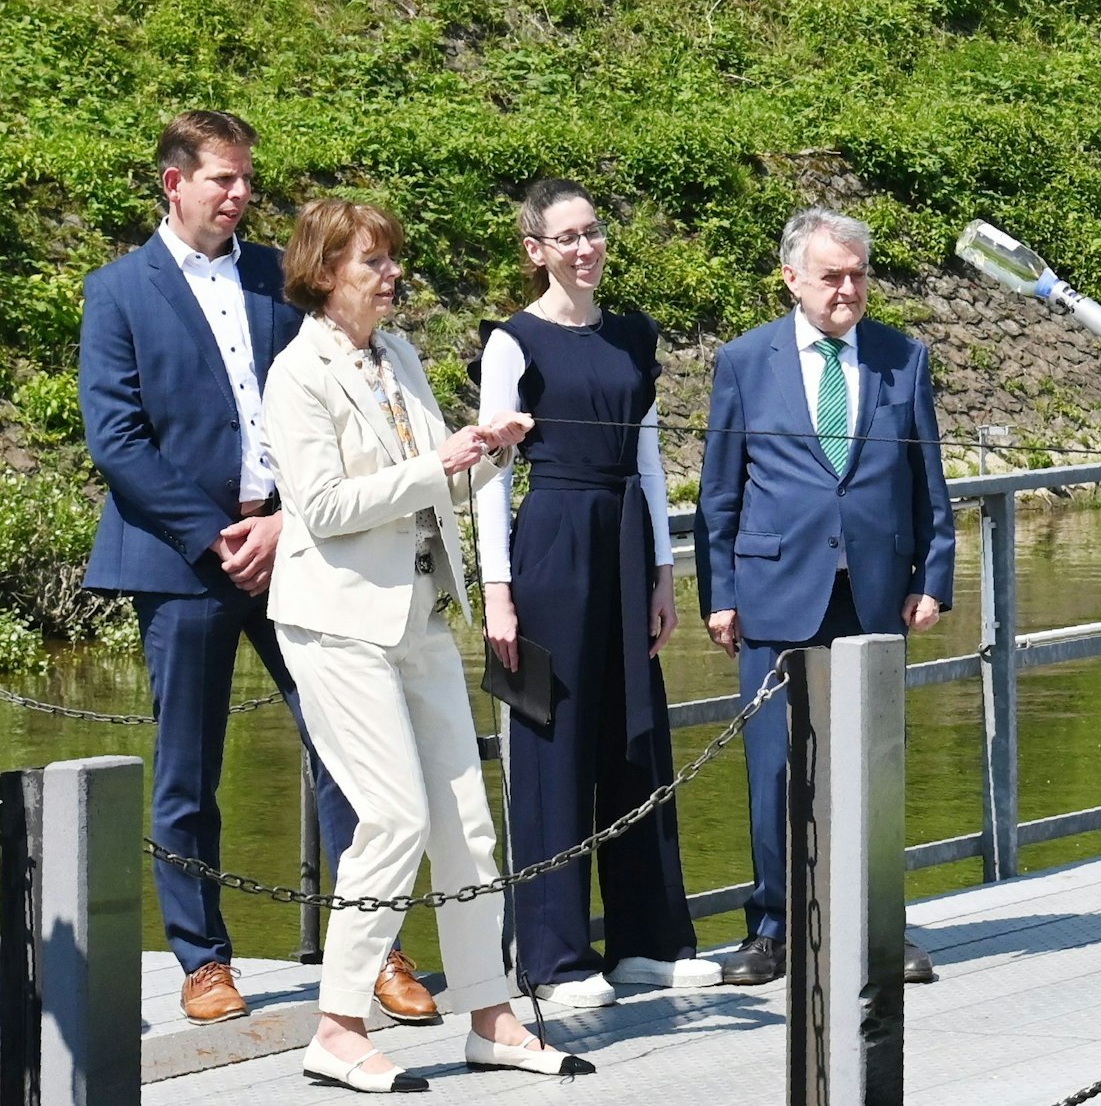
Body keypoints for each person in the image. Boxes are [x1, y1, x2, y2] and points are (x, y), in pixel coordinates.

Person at [77, 110, 436, 1026]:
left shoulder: (282, 279)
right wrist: (216, 534)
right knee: (187, 772)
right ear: (175, 183)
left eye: (245, 179)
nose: (239, 194)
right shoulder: (116, 291)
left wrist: (281, 522)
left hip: (299, 548)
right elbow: (117, 440)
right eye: (222, 179)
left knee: (349, 749)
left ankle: (374, 946)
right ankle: (203, 961)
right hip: (182, 564)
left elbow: (330, 397)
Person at [262, 197, 588, 1091]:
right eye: (373, 261)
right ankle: (337, 1027)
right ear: (325, 272)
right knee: (395, 817)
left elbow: (435, 478)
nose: (392, 273)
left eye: (391, 258)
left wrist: (489, 450)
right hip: (336, 622)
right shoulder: (297, 374)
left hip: (419, 611)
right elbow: (324, 507)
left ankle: (490, 1015)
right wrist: (437, 463)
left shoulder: (397, 353)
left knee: (466, 822)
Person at [474, 179, 719, 1007]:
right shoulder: (513, 343)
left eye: (594, 232)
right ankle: (552, 955)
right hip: (551, 539)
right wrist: (498, 592)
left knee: (636, 734)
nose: (586, 249)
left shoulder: (631, 335)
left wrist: (663, 571)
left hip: (624, 535)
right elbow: (490, 478)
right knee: (552, 739)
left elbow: (647, 456)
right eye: (567, 237)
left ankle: (649, 939)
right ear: (536, 250)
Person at [697, 207, 955, 985]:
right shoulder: (746, 361)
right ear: (792, 279)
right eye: (831, 276)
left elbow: (928, 480)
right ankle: (773, 927)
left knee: (872, 766)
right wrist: (720, 593)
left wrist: (932, 576)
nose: (847, 290)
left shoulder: (902, 358)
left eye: (857, 275)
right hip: (775, 592)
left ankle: (876, 926)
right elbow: (719, 492)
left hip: (874, 593)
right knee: (775, 768)